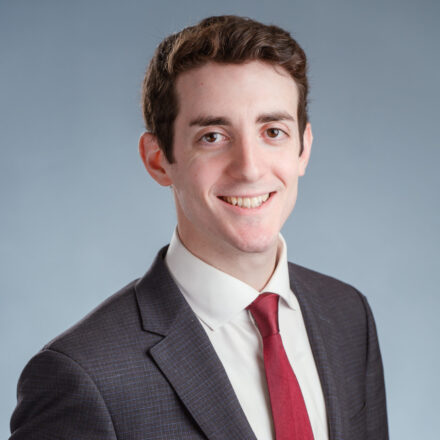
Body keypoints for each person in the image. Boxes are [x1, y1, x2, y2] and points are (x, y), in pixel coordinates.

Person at [9, 15, 388, 440]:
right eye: (212, 136)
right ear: (158, 160)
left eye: (273, 131)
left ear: (304, 148)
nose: (249, 168)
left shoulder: (348, 315)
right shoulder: (84, 376)